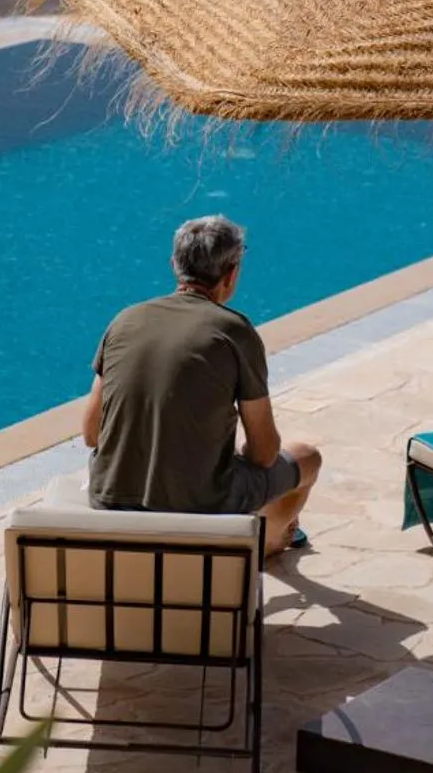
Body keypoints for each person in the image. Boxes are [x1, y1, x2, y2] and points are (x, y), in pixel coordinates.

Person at [82, 214, 321, 554]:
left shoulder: (124, 321)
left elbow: (92, 434)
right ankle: (268, 543)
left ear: (173, 265)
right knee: (307, 458)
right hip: (201, 508)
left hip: (109, 498)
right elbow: (264, 453)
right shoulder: (234, 332)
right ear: (231, 274)